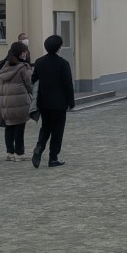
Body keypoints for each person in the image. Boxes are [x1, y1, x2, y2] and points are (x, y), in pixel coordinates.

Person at [31, 35, 75, 168]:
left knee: (45, 127)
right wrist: (71, 102)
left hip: (44, 102)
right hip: (59, 103)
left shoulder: (39, 62)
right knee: (57, 130)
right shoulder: (63, 63)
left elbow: (34, 79)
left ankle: (39, 147)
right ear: (58, 48)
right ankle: (53, 158)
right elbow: (68, 85)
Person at [0, 42, 33, 161]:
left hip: (6, 103)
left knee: (9, 127)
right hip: (20, 102)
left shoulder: (4, 67)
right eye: (25, 52)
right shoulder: (24, 67)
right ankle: (20, 153)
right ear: (21, 53)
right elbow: (30, 84)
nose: (26, 54)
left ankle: (10, 153)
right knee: (20, 127)